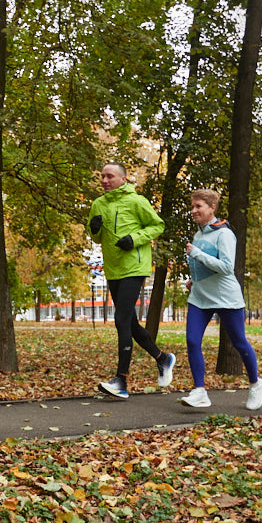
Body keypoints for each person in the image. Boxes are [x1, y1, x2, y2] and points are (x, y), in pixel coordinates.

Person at [87, 162, 175, 398]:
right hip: (113, 268)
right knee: (130, 323)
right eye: (102, 176)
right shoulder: (98, 204)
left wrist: (134, 239)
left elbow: (158, 225)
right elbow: (96, 237)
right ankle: (163, 358)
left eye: (110, 176)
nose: (105, 180)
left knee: (121, 319)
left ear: (123, 179)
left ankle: (121, 380)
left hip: (134, 266)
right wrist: (94, 229)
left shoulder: (137, 201)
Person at [178, 188, 262, 410]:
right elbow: (205, 266)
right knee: (192, 341)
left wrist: (197, 254)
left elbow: (227, 267)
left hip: (226, 297)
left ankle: (256, 384)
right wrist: (194, 280)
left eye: (198, 206)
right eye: (192, 206)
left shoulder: (224, 234)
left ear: (212, 208)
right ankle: (200, 391)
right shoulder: (198, 235)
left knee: (239, 342)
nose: (193, 210)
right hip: (200, 297)